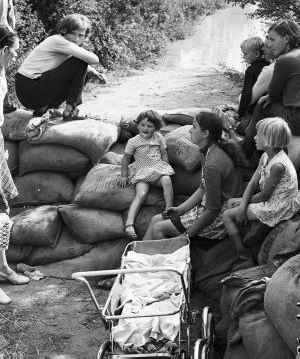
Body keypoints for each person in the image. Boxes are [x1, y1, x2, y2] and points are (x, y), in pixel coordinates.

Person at [234, 19, 300, 158]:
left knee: (262, 105)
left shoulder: (285, 60)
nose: (268, 44)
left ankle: (245, 151)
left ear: (286, 38)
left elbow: (272, 93)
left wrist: (268, 97)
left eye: (272, 39)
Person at [143, 111, 242, 240]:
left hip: (217, 219)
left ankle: (165, 258)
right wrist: (180, 209)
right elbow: (203, 187)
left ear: (205, 134)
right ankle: (136, 256)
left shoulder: (213, 164)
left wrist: (186, 235)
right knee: (155, 219)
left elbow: (213, 210)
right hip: (205, 209)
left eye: (194, 127)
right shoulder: (206, 151)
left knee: (158, 228)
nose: (190, 130)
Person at [222, 117, 300, 269]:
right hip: (270, 197)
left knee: (227, 215)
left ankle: (243, 256)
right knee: (232, 204)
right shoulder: (266, 155)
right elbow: (253, 181)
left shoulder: (278, 165)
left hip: (277, 205)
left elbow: (264, 196)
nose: (254, 137)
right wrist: (241, 201)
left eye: (258, 135)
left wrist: (241, 205)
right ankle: (250, 231)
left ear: (269, 140)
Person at [15, 13, 106, 119]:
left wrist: (94, 72)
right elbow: (94, 59)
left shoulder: (65, 46)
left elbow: (73, 68)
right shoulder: (58, 41)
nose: (76, 39)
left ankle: (44, 109)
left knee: (83, 68)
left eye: (81, 35)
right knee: (81, 62)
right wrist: (90, 69)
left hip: (30, 92)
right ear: (63, 31)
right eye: (73, 33)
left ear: (85, 37)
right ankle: (71, 110)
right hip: (29, 88)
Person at [0, 26, 30, 305]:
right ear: (3, 50)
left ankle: (3, 268)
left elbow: (6, 110)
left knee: (2, 210)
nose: (16, 56)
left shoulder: (1, 75)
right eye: (14, 51)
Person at [118, 110, 175, 240]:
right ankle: (129, 224)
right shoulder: (133, 141)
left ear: (156, 128)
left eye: (149, 126)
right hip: (142, 172)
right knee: (141, 194)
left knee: (167, 180)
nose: (145, 128)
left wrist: (167, 167)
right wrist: (123, 175)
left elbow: (164, 153)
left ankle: (169, 211)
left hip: (157, 170)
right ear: (137, 125)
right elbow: (126, 159)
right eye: (142, 124)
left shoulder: (159, 138)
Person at [237, 36, 269, 119]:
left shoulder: (251, 70)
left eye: (246, 53)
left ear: (257, 53)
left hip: (253, 110)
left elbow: (246, 93)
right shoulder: (268, 64)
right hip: (265, 105)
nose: (244, 56)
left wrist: (239, 113)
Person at [250, 38, 276, 106]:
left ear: (275, 48)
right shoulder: (270, 64)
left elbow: (250, 99)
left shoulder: (269, 70)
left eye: (267, 47)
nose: (262, 49)